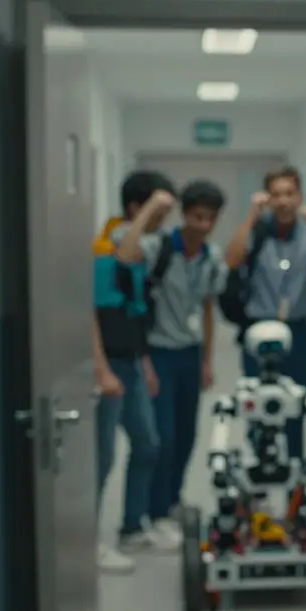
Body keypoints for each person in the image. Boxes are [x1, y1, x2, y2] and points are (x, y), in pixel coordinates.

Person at [114, 180, 228, 548]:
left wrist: (207, 360)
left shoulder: (210, 256)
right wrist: (150, 208)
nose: (204, 226)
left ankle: (170, 501)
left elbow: (208, 307)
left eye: (210, 219)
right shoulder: (159, 247)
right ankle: (152, 512)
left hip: (190, 354)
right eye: (197, 217)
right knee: (160, 437)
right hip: (158, 352)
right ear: (184, 215)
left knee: (185, 436)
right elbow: (124, 254)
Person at [91, 171, 183, 573]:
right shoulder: (106, 245)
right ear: (136, 208)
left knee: (148, 444)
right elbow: (92, 315)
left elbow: (135, 312)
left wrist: (145, 363)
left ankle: (132, 526)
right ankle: (88, 542)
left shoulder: (144, 245)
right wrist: (101, 372)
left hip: (131, 360)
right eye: (158, 213)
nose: (163, 222)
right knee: (102, 456)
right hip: (108, 364)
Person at [223, 165, 306, 463]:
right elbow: (232, 260)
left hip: (297, 330)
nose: (283, 201)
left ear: (300, 196)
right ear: (267, 198)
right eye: (276, 194)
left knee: (296, 405)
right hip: (259, 330)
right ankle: (260, 470)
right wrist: (251, 217)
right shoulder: (257, 229)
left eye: (290, 194)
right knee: (257, 406)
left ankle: (295, 471)